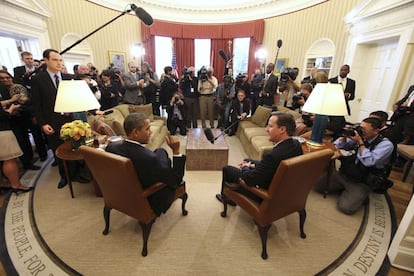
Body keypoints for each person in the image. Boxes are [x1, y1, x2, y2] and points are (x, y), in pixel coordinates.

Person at [106, 113, 186, 216]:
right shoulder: (149, 158)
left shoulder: (111, 147)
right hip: (149, 195)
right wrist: (176, 152)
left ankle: (164, 167)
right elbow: (176, 180)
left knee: (161, 151)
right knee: (164, 161)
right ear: (135, 132)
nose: (151, 132)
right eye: (147, 129)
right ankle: (165, 168)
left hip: (124, 190)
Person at [216, 112, 303, 203]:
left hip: (264, 193)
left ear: (282, 129)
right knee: (247, 160)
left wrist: (245, 167)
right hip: (282, 187)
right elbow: (272, 166)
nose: (266, 129)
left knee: (227, 169)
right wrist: (252, 165)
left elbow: (250, 180)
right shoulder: (296, 144)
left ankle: (226, 197)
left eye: (270, 126)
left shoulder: (272, 156)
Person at [314, 117, 394, 214]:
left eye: (364, 129)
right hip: (345, 173)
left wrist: (360, 142)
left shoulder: (386, 145)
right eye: (361, 127)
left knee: (346, 208)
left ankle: (359, 195)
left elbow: (369, 161)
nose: (361, 131)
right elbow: (338, 146)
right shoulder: (360, 136)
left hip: (362, 181)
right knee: (317, 186)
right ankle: (345, 190)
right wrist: (344, 137)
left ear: (376, 131)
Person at [31, 49, 74, 189]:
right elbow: (36, 105)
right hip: (52, 122)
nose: (59, 63)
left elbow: (77, 99)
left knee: (74, 147)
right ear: (46, 61)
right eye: (55, 60)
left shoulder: (67, 78)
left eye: (60, 60)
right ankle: (64, 176)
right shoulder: (38, 79)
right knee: (59, 150)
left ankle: (75, 174)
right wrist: (43, 123)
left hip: (70, 120)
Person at [0, 70, 47, 169]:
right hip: (13, 120)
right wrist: (11, 107)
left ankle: (43, 155)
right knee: (22, 141)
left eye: (7, 77)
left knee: (37, 135)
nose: (5, 80)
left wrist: (27, 101)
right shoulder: (2, 91)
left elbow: (32, 99)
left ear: (11, 77)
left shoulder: (20, 85)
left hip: (28, 115)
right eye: (2, 78)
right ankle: (27, 163)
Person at [0, 100, 32, 192]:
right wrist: (11, 109)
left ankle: (2, 183)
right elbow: (2, 116)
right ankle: (16, 185)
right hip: (2, 131)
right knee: (9, 159)